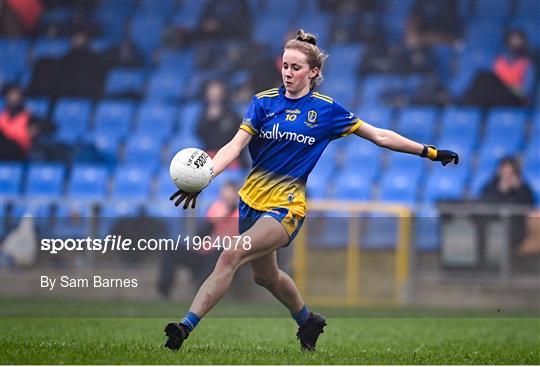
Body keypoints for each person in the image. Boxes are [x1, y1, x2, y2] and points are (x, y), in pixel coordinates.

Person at [165, 30, 458, 352]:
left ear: (314, 72)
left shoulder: (327, 110)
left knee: (231, 254)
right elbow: (234, 146)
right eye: (285, 66)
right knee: (266, 277)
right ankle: (307, 320)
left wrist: (429, 152)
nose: (288, 73)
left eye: (296, 68)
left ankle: (184, 328)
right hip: (250, 202)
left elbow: (380, 136)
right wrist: (205, 175)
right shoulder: (263, 103)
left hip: (286, 207)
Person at [464, 30, 536, 107]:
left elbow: (526, 91)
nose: (514, 43)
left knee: (483, 79)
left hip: (515, 98)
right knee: (482, 76)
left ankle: (466, 101)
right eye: (512, 40)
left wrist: (507, 86)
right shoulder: (499, 61)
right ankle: (467, 101)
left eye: (517, 40)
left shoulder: (526, 63)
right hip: (499, 95)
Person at [0, 85, 54, 161]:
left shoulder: (30, 117)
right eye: (11, 95)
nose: (13, 99)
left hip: (21, 153)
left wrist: (35, 131)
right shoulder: (2, 117)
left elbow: (48, 128)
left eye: (16, 95)